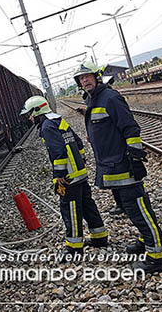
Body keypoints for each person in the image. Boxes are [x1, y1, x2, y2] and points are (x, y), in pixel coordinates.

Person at [74, 61, 162, 273]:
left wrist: (134, 159)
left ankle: (157, 256)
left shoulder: (111, 97)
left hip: (123, 166)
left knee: (138, 209)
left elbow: (130, 128)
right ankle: (146, 240)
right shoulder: (94, 99)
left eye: (87, 76)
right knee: (129, 209)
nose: (84, 80)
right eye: (81, 78)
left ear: (97, 77)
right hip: (111, 167)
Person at [20, 95, 108, 261]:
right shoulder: (58, 121)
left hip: (68, 177)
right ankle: (100, 237)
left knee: (71, 211)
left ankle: (74, 249)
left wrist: (59, 175)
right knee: (88, 205)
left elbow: (58, 151)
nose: (29, 118)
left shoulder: (47, 126)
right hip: (79, 173)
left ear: (37, 111)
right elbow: (78, 143)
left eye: (30, 114)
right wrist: (80, 162)